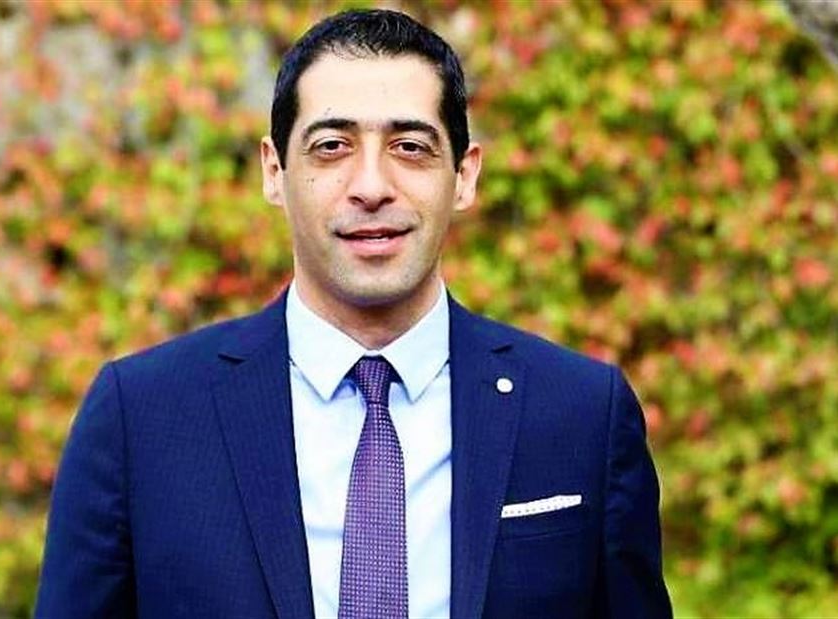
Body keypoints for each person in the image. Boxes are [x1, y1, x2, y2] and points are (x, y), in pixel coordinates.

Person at [36, 9, 672, 619]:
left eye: (410, 146)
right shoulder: (141, 418)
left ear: (464, 176)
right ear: (275, 171)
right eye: (333, 146)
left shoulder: (581, 415)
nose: (371, 186)